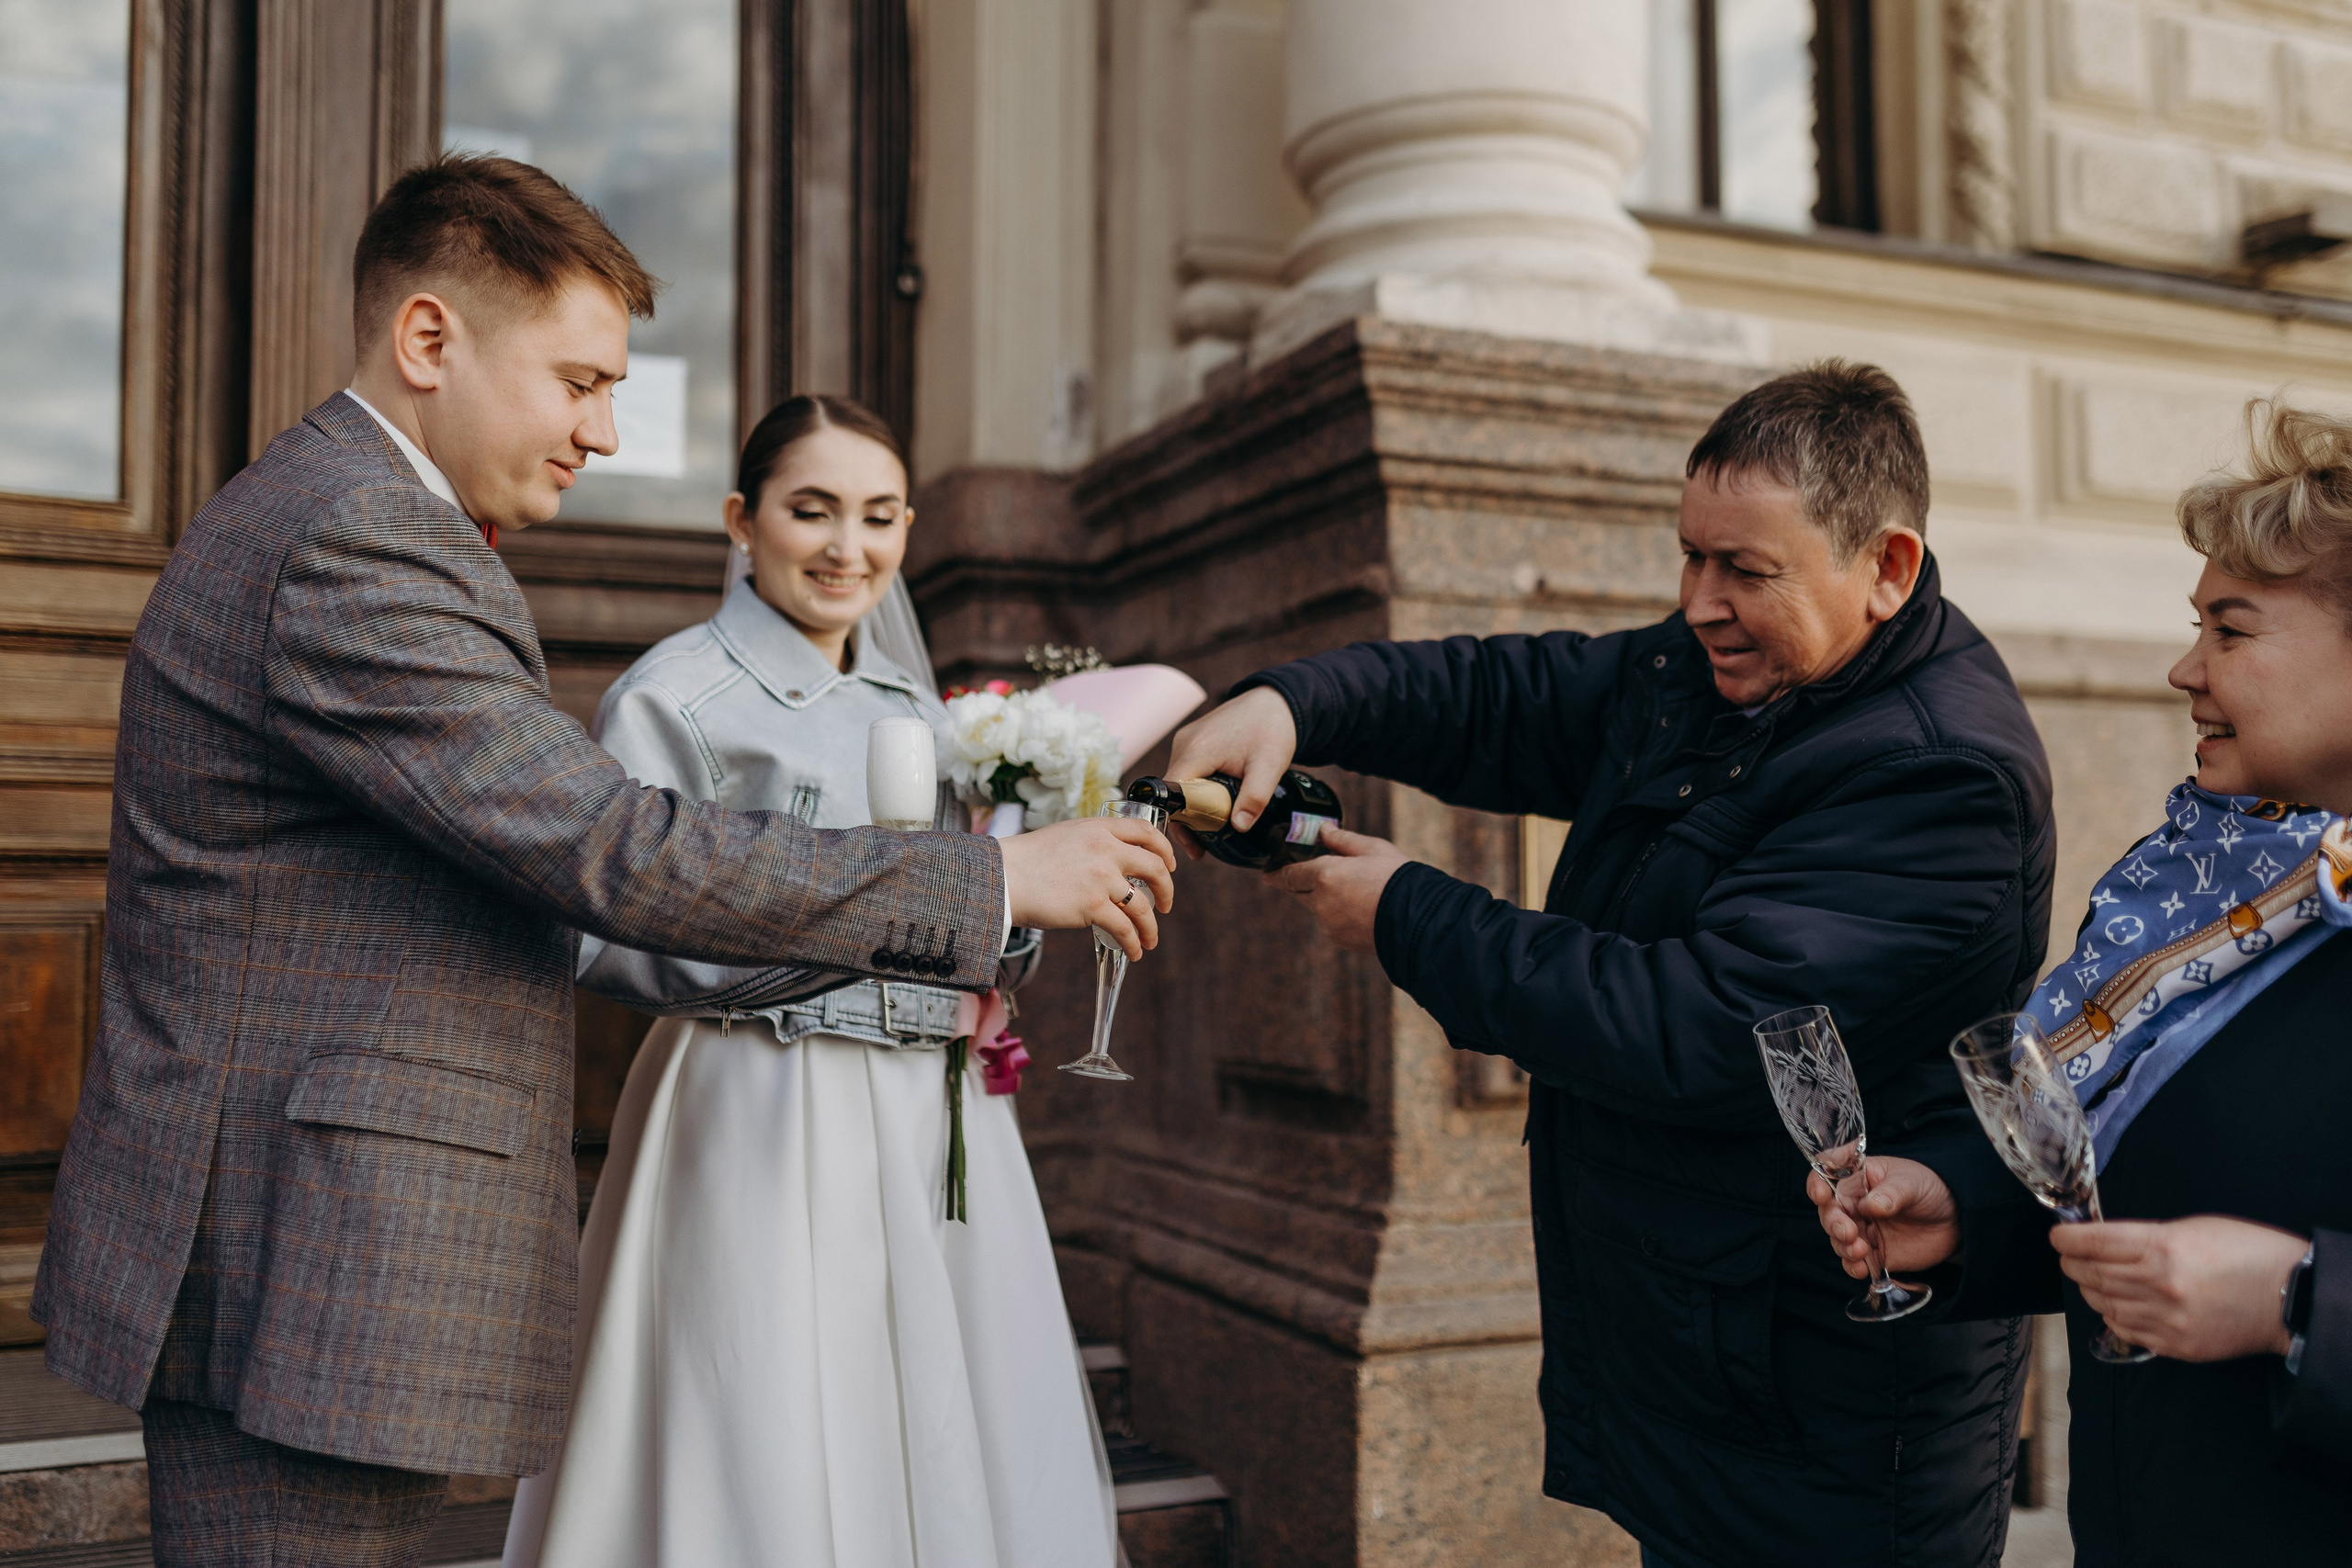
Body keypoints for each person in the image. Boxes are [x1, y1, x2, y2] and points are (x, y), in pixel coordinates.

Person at [30, 155, 1172, 1568]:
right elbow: (606, 845)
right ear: (430, 340)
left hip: (304, 1245)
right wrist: (992, 883)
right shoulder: (355, 536)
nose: (609, 430)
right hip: (298, 1251)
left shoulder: (361, 516)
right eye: (580, 381)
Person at [1168, 362, 2055, 1567]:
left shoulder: (1942, 773)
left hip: (1832, 1414)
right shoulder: (1731, 663)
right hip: (1709, 1351)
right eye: (1689, 555)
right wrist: (1293, 699)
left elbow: (1697, 1027)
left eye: (1745, 568)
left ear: (1887, 568)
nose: (1697, 600)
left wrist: (1406, 913)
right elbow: (1505, 696)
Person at [500, 395, 1121, 1568]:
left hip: (931, 1117)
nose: (850, 548)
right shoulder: (674, 697)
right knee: (762, 1402)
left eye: (880, 517)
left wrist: (1032, 877)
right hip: (762, 1099)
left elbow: (971, 930)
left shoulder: (921, 711)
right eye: (813, 511)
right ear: (743, 520)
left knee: (941, 1406)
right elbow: (613, 934)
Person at [1812, 400, 2352, 1565]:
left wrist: (2298, 1303)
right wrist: (1964, 1214)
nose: (2182, 667)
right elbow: (2151, 1169)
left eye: (2231, 628)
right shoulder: (2232, 885)